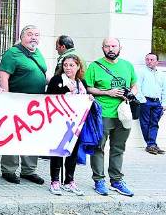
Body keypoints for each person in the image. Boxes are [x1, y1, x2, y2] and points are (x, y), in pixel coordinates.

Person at [85, 37, 137, 197]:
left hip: (123, 114)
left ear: (120, 47)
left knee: (118, 148)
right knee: (99, 148)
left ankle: (116, 181)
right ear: (102, 48)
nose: (110, 49)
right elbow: (89, 87)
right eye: (107, 46)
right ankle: (99, 180)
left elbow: (134, 85)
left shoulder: (127, 65)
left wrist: (131, 94)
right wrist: (107, 92)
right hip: (103, 113)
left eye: (113, 46)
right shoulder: (94, 66)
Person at [0, 25, 47, 185]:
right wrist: (5, 98)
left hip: (35, 105)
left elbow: (42, 74)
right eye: (30, 34)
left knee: (31, 136)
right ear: (21, 36)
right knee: (13, 135)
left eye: (37, 34)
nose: (34, 37)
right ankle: (9, 170)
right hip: (16, 102)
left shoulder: (38, 53)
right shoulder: (13, 53)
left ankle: (29, 170)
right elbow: (3, 75)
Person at [46, 54, 88, 196]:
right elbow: (48, 97)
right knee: (58, 151)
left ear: (78, 67)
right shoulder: (57, 80)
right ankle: (55, 181)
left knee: (73, 152)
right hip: (59, 121)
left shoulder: (81, 82)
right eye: (65, 65)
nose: (68, 68)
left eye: (71, 65)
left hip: (76, 123)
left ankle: (69, 180)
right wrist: (65, 91)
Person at [136, 52, 166, 155]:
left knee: (154, 124)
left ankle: (151, 145)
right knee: (145, 124)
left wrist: (164, 104)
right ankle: (152, 145)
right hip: (146, 101)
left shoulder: (162, 74)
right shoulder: (141, 72)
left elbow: (164, 90)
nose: (149, 61)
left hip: (157, 103)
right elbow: (137, 87)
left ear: (157, 61)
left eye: (152, 59)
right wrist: (143, 100)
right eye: (147, 59)